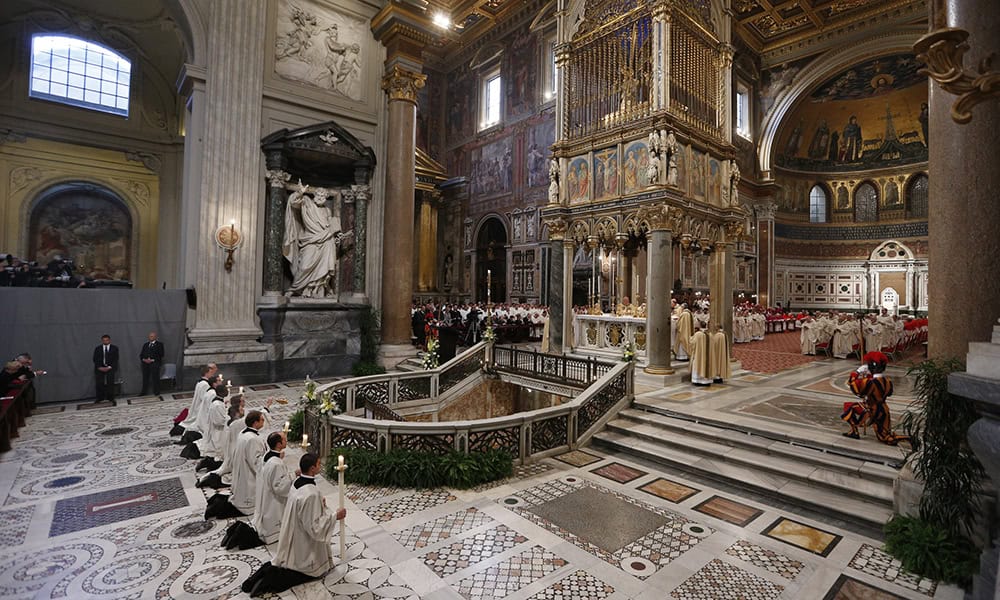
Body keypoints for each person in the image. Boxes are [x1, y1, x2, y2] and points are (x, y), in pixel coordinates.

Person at [241, 453, 347, 597]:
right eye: (318, 464)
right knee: (308, 573)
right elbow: (315, 527)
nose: (320, 466)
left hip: (294, 530)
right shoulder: (311, 493)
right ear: (312, 468)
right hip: (303, 541)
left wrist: (320, 506)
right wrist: (335, 516)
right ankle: (268, 581)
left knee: (280, 561)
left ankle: (256, 578)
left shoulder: (297, 483)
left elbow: (303, 510)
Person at [282, 181, 341, 298]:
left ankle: (317, 289)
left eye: (323, 196)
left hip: (326, 241)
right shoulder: (307, 203)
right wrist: (300, 192)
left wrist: (336, 235)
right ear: (314, 196)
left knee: (324, 268)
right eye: (318, 195)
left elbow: (330, 225)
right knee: (304, 265)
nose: (320, 198)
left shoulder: (327, 210)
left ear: (326, 198)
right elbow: (293, 202)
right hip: (310, 240)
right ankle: (295, 288)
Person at [841, 351, 909, 445]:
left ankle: (854, 431)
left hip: (872, 409)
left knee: (848, 407)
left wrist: (857, 372)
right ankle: (905, 439)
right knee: (885, 434)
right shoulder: (888, 381)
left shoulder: (870, 382)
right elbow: (889, 393)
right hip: (884, 409)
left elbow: (854, 386)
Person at [251, 432, 296, 544]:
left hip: (265, 494)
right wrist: (294, 475)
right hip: (273, 501)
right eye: (284, 440)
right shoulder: (276, 464)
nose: (286, 441)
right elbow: (279, 487)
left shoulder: (266, 456)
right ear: (278, 444)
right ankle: (274, 533)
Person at [175, 363, 218, 438]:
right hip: (200, 407)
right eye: (211, 373)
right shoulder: (204, 384)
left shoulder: (201, 382)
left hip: (198, 404)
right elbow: (205, 398)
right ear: (206, 373)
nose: (212, 375)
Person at [92, 334, 119, 405]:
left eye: (107, 340)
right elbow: (95, 359)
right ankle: (100, 398)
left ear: (109, 340)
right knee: (99, 383)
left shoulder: (114, 348)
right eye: (104, 340)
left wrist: (109, 367)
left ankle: (110, 397)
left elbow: (115, 359)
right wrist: (100, 367)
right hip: (100, 368)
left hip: (110, 368)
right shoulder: (98, 348)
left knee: (110, 383)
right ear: (102, 341)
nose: (105, 341)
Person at [139, 331, 165, 396]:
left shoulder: (159, 344)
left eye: (152, 336)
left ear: (155, 337)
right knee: (145, 378)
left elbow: (161, 354)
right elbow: (141, 355)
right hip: (145, 364)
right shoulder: (145, 345)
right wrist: (144, 359)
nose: (151, 337)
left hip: (155, 364)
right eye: (150, 336)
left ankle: (156, 392)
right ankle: (144, 392)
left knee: (155, 378)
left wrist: (152, 360)